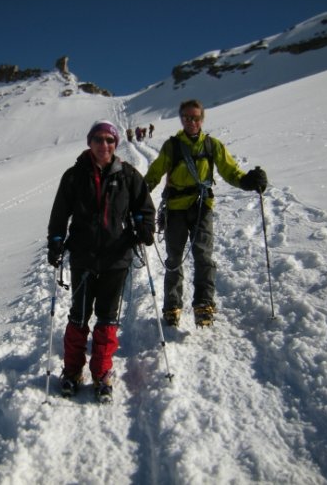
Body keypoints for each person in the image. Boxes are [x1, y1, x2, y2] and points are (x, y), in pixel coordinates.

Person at [47, 120, 155, 403]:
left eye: (109, 140)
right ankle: (71, 371)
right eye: (98, 139)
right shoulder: (73, 176)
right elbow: (60, 213)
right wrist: (56, 239)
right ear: (89, 142)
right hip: (83, 257)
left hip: (116, 258)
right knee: (79, 316)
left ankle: (102, 371)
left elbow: (144, 207)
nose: (103, 145)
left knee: (107, 318)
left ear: (115, 143)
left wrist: (144, 226)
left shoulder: (128, 175)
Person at [144, 100, 267, 328]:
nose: (192, 122)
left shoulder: (212, 146)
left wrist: (248, 181)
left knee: (203, 256)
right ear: (181, 119)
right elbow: (155, 173)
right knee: (174, 259)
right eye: (187, 118)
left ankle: (204, 304)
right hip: (175, 209)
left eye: (196, 118)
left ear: (202, 119)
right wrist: (138, 194)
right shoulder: (172, 146)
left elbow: (230, 170)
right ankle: (172, 306)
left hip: (202, 207)